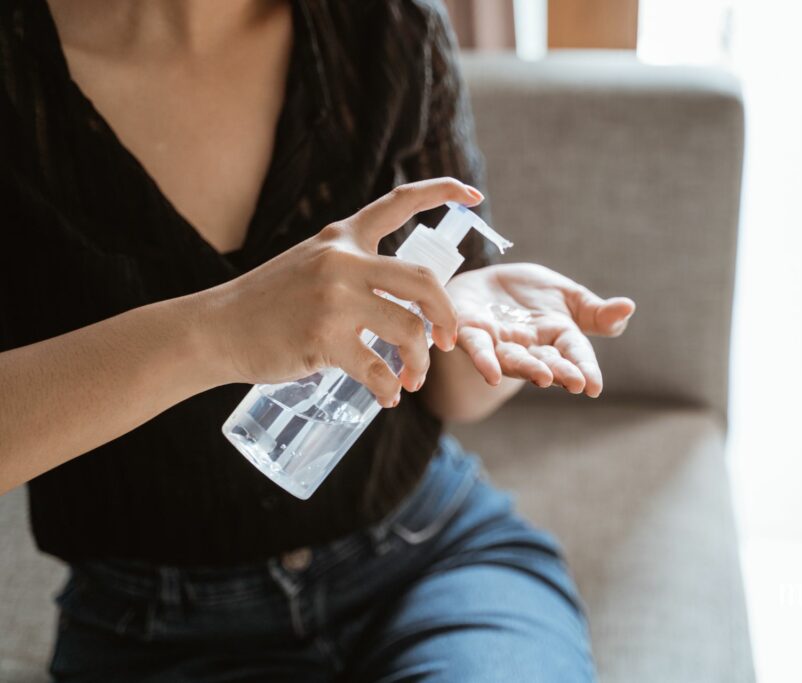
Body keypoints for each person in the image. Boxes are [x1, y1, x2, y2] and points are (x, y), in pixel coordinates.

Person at [0, 1, 635, 680]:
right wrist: (218, 330)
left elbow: (457, 396)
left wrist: (469, 318)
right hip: (157, 630)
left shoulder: (383, 23)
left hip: (428, 558)